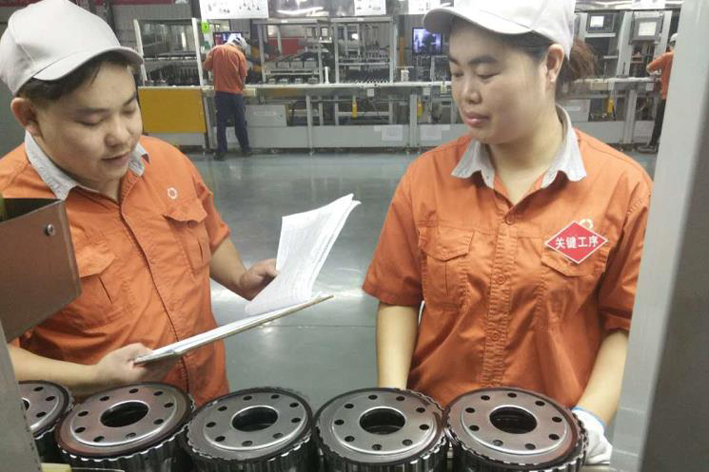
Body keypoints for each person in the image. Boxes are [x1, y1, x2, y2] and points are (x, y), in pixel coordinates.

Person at [363, 0, 651, 465]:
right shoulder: (427, 179)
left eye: (486, 73)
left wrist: (588, 420)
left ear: (550, 64)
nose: (466, 93)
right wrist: (396, 405)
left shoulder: (621, 188)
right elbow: (397, 297)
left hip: (553, 440)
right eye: (456, 72)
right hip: (437, 431)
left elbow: (628, 322)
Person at [0, 0, 277, 407]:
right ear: (29, 117)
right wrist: (92, 378)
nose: (122, 136)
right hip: (106, 420)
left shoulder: (166, 161)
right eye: (91, 121)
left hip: (207, 397)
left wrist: (240, 278)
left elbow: (209, 234)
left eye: (130, 109)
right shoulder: (10, 211)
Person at [203, 34, 252, 160]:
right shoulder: (239, 54)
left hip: (221, 93)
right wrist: (241, 87)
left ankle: (221, 152)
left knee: (221, 123)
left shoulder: (215, 50)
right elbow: (243, 76)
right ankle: (245, 149)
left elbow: (206, 66)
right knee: (240, 121)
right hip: (236, 94)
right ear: (239, 46)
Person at [638, 33, 677, 154]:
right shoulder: (688, 58)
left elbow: (649, 67)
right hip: (680, 98)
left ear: (671, 44)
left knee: (659, 121)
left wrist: (658, 74)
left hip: (667, 96)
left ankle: (652, 145)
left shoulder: (668, 56)